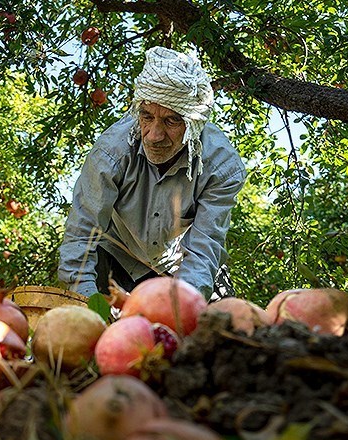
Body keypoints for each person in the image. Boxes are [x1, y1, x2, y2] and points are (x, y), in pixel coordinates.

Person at [58, 46, 247, 302]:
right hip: (116, 254)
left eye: (171, 121)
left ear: (193, 124)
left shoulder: (221, 167)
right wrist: (87, 306)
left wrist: (179, 307)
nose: (154, 136)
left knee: (213, 329)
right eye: (147, 117)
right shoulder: (112, 153)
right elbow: (82, 233)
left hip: (180, 263)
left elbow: (204, 250)